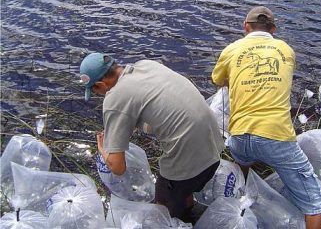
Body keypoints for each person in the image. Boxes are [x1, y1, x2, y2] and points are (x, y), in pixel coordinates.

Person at [211, 6, 321, 229]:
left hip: (239, 138)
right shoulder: (286, 49)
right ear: (273, 29)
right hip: (277, 137)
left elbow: (218, 80)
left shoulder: (232, 49)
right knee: (314, 204)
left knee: (242, 157)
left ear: (246, 27)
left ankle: (241, 190)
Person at [79, 53, 225, 221]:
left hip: (191, 165)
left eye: (95, 91)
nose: (98, 94)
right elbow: (159, 109)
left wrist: (103, 149)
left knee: (162, 203)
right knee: (182, 190)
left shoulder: (114, 99)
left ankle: (175, 219)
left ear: (100, 84)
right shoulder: (146, 65)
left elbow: (118, 168)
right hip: (214, 147)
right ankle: (188, 210)